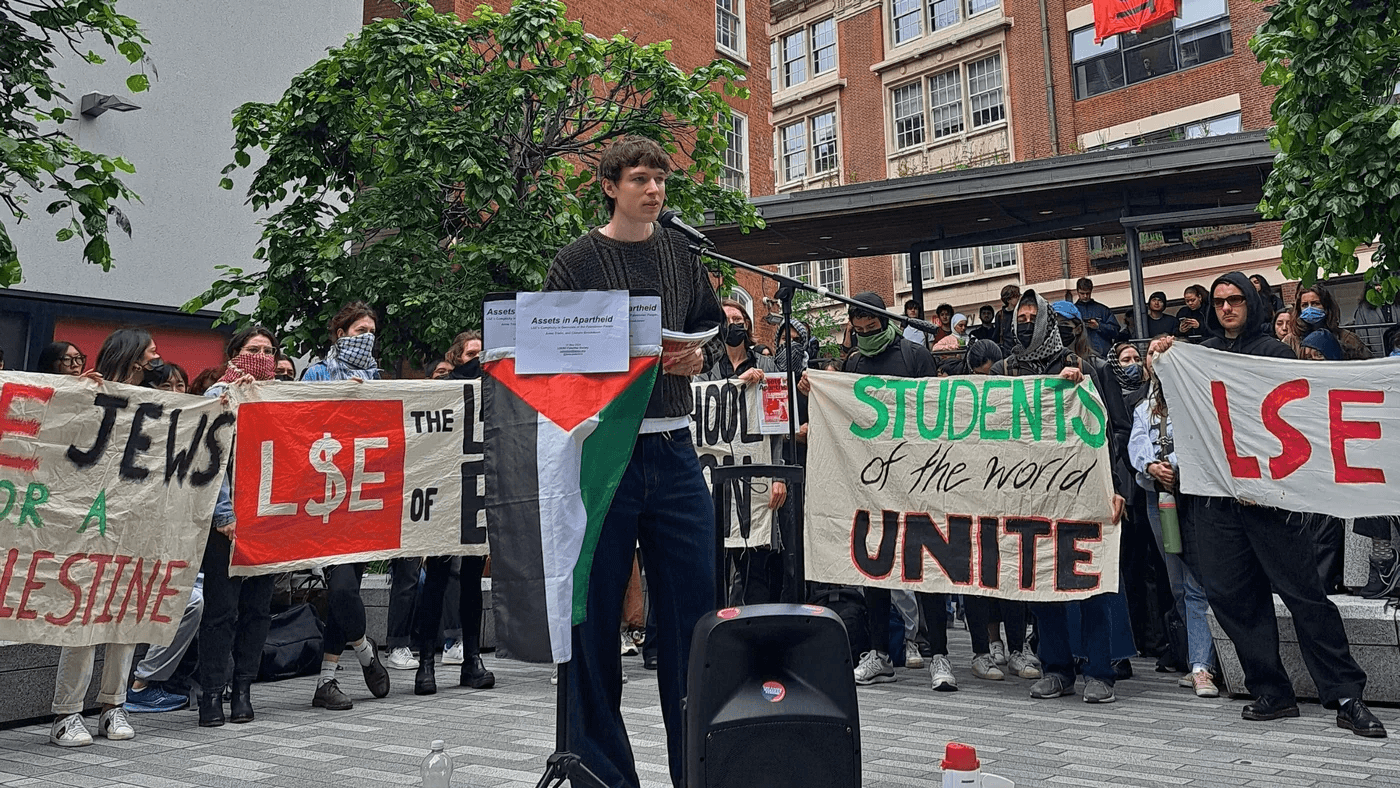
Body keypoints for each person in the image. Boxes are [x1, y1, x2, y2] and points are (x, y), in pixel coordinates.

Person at [542, 135, 724, 788]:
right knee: (593, 620)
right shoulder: (577, 260)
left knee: (695, 620)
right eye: (642, 179)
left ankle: (698, 774)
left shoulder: (680, 252)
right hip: (604, 453)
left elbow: (707, 328)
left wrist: (700, 355)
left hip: (675, 450)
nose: (655, 190)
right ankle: (604, 777)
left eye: (661, 180)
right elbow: (547, 355)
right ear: (610, 185)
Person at [1149, 272, 1385, 737]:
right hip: (1218, 501)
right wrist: (1166, 354)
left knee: (1304, 595)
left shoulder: (1272, 353)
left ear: (1251, 302)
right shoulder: (1203, 356)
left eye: (1235, 299)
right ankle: (1270, 690)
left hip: (1269, 499)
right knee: (1232, 597)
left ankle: (1344, 695)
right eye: (1218, 302)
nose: (1226, 308)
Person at [817, 292, 960, 691]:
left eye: (871, 328)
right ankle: (879, 653)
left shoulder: (915, 356)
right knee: (875, 566)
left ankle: (940, 655)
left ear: (885, 322)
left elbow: (936, 410)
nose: (865, 335)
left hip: (919, 478)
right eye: (857, 330)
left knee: (927, 565)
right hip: (872, 481)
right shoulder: (854, 363)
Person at [994, 295, 1133, 703]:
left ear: (1048, 324)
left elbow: (1115, 430)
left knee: (1091, 582)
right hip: (1031, 495)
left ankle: (1099, 670)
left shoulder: (1085, 370)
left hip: (1084, 493)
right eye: (1019, 318)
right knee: (1042, 582)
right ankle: (1056, 668)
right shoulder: (1008, 372)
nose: (1024, 324)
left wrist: (1117, 487)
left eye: (1032, 318)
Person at [49, 328, 163, 746]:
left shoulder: (159, 401)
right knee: (84, 617)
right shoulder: (89, 391)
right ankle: (67, 713)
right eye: (152, 352)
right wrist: (74, 395)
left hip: (136, 521)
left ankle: (113, 705)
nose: (157, 359)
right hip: (90, 521)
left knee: (127, 617)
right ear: (133, 356)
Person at [301, 303, 393, 710]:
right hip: (324, 500)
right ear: (339, 333)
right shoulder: (316, 374)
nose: (367, 337)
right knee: (340, 590)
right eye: (359, 330)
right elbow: (297, 422)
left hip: (364, 500)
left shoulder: (378, 378)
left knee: (347, 590)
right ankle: (364, 651)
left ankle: (327, 682)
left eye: (372, 331)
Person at [193, 326, 281, 726]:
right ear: (234, 353)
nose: (260, 355)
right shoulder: (217, 396)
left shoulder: (284, 396)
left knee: (258, 610)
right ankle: (212, 691)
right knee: (220, 610)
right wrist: (224, 514)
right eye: (252, 349)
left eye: (267, 350)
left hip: (270, 519)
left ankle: (243, 688)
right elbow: (213, 461)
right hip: (226, 523)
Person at [1129, 357, 1218, 698]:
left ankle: (1202, 666)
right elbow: (1137, 441)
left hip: (1194, 498)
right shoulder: (1145, 406)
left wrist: (1176, 465)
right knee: (1177, 582)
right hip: (1159, 499)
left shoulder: (1195, 397)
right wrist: (1152, 465)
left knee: (1197, 583)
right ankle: (1196, 652)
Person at [698, 300, 787, 605]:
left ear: (747, 325)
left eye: (738, 318)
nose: (733, 323)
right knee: (713, 567)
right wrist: (736, 385)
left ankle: (753, 639)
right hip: (715, 480)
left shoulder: (767, 366)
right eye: (727, 319)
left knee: (755, 568)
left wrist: (779, 476)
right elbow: (700, 410)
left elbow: (778, 427)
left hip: (757, 480)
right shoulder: (704, 368)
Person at [1288, 283, 1371, 360]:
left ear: (1326, 307)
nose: (1309, 309)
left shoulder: (1347, 338)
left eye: (1315, 303)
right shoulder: (1291, 341)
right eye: (1304, 305)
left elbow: (1367, 366)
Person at [1073, 277, 1120, 356]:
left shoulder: (1103, 310)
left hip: (1102, 355)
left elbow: (1116, 331)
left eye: (1088, 293)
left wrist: (1099, 326)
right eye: (1082, 293)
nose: (1085, 296)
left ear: (1091, 291)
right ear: (1077, 292)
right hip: (1081, 356)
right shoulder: (1072, 311)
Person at [1351, 282, 1398, 358]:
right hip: (1377, 357)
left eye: (1381, 284)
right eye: (1375, 285)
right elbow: (1361, 337)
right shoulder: (1363, 309)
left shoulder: (1397, 303)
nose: (1378, 288)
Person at [994, 284, 1021, 351]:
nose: (1019, 298)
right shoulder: (1000, 315)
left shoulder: (1020, 312)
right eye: (1016, 296)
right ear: (1009, 300)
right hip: (1006, 351)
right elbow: (997, 334)